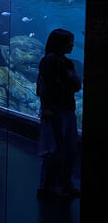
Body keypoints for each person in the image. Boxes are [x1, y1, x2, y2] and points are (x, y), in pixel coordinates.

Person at [36, 28, 81, 198]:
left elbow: (76, 85)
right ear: (60, 43)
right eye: (70, 42)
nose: (72, 45)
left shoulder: (68, 63)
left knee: (69, 149)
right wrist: (46, 108)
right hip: (54, 110)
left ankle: (63, 184)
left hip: (67, 109)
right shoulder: (49, 61)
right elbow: (44, 86)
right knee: (53, 149)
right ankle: (48, 187)